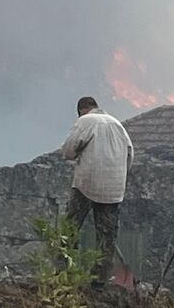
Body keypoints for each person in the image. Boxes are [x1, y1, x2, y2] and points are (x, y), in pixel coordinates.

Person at [60, 96, 134, 287]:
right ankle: (100, 280)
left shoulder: (85, 121)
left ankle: (64, 271)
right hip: (114, 188)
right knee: (106, 234)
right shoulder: (118, 125)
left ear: (81, 110)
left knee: (70, 227)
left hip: (87, 182)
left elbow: (68, 151)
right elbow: (130, 155)